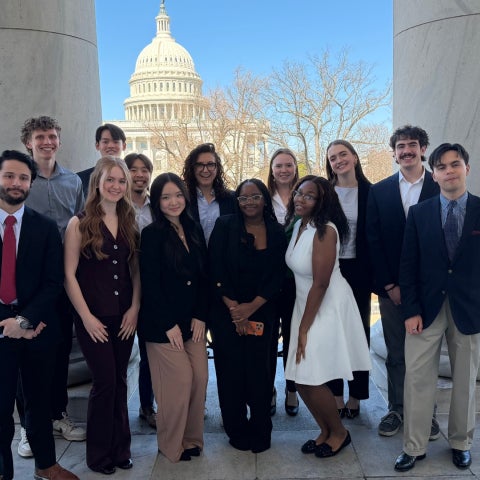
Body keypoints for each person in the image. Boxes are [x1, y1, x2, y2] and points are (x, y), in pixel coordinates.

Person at [394, 143, 480, 472]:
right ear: (434, 174)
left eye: (455, 164)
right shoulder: (419, 213)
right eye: (441, 167)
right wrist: (410, 309)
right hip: (425, 310)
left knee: (464, 380)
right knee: (416, 379)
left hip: (469, 310)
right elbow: (408, 265)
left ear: (466, 169)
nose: (448, 171)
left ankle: (461, 442)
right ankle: (414, 446)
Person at [0, 150, 78, 480]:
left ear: (31, 183)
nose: (16, 183)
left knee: (39, 402)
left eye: (23, 178)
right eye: (9, 176)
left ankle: (46, 465)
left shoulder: (44, 228)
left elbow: (52, 281)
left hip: (37, 330)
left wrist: (25, 321)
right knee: (2, 409)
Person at [284, 176, 371, 458]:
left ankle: (340, 432)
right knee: (299, 377)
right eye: (299, 193)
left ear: (322, 202)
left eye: (309, 196)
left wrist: (304, 328)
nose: (300, 198)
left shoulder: (326, 231)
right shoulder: (299, 225)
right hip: (304, 304)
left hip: (325, 306)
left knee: (311, 377)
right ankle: (324, 430)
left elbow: (320, 283)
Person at [64, 157, 140, 474]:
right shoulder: (78, 223)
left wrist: (135, 309)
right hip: (93, 319)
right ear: (98, 182)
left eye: (121, 181)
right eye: (110, 179)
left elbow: (135, 272)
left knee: (120, 382)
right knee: (105, 383)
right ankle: (98, 455)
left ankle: (121, 450)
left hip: (123, 317)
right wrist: (86, 317)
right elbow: (69, 276)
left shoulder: (129, 222)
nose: (116, 186)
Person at [366, 125, 440, 438]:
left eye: (412, 144)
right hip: (393, 288)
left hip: (432, 289)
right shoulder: (379, 191)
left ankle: (427, 414)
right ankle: (397, 409)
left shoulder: (440, 186)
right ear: (394, 153)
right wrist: (388, 286)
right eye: (400, 146)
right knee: (397, 352)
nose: (406, 150)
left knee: (426, 354)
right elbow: (373, 240)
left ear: (423, 149)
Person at [19, 116, 85, 456]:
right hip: (27, 282)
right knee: (28, 352)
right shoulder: (19, 180)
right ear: (29, 142)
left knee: (59, 350)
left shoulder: (73, 181)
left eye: (53, 136)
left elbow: (79, 225)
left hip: (62, 279)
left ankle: (58, 414)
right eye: (40, 136)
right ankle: (31, 426)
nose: (48, 141)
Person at [208, 179, 287, 453]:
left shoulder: (277, 232)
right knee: (230, 373)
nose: (249, 202)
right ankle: (236, 428)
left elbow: (278, 275)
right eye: (243, 198)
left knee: (260, 372)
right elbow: (214, 269)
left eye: (255, 197)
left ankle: (261, 428)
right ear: (237, 202)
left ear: (265, 199)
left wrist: (251, 307)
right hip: (225, 311)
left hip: (263, 311)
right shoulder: (224, 226)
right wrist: (234, 308)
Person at [138, 173, 208, 463]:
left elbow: (206, 276)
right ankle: (171, 444)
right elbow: (151, 284)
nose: (173, 202)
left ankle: (192, 439)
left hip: (194, 322)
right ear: (158, 201)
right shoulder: (153, 233)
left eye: (178, 195)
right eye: (166, 197)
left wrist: (201, 316)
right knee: (178, 383)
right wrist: (169, 325)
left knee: (200, 379)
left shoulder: (194, 228)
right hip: (162, 325)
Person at [325, 140, 372, 419]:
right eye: (332, 158)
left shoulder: (372, 192)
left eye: (343, 154)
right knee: (332, 333)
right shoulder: (325, 192)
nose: (338, 160)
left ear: (354, 157)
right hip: (330, 268)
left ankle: (357, 394)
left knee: (357, 333)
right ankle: (335, 394)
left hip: (359, 271)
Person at [124, 152, 157, 429]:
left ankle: (147, 405)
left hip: (150, 286)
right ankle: (117, 409)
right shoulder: (115, 204)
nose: (139, 174)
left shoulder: (156, 205)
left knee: (148, 352)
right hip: (118, 285)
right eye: (133, 169)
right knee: (121, 353)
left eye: (144, 169)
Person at [266, 148, 299, 416]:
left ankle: (291, 388)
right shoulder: (263, 198)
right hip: (267, 278)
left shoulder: (305, 196)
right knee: (266, 336)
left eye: (288, 165)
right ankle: (268, 388)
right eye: (279, 166)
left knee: (292, 335)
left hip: (295, 279)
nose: (284, 170)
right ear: (272, 169)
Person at [182, 143, 236, 244]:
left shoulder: (231, 198)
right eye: (199, 165)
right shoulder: (184, 200)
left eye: (210, 164)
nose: (205, 170)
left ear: (217, 168)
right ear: (192, 168)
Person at [77, 123, 127, 196]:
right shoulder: (80, 179)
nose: (110, 146)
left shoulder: (132, 177)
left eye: (115, 142)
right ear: (97, 145)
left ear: (124, 146)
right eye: (105, 142)